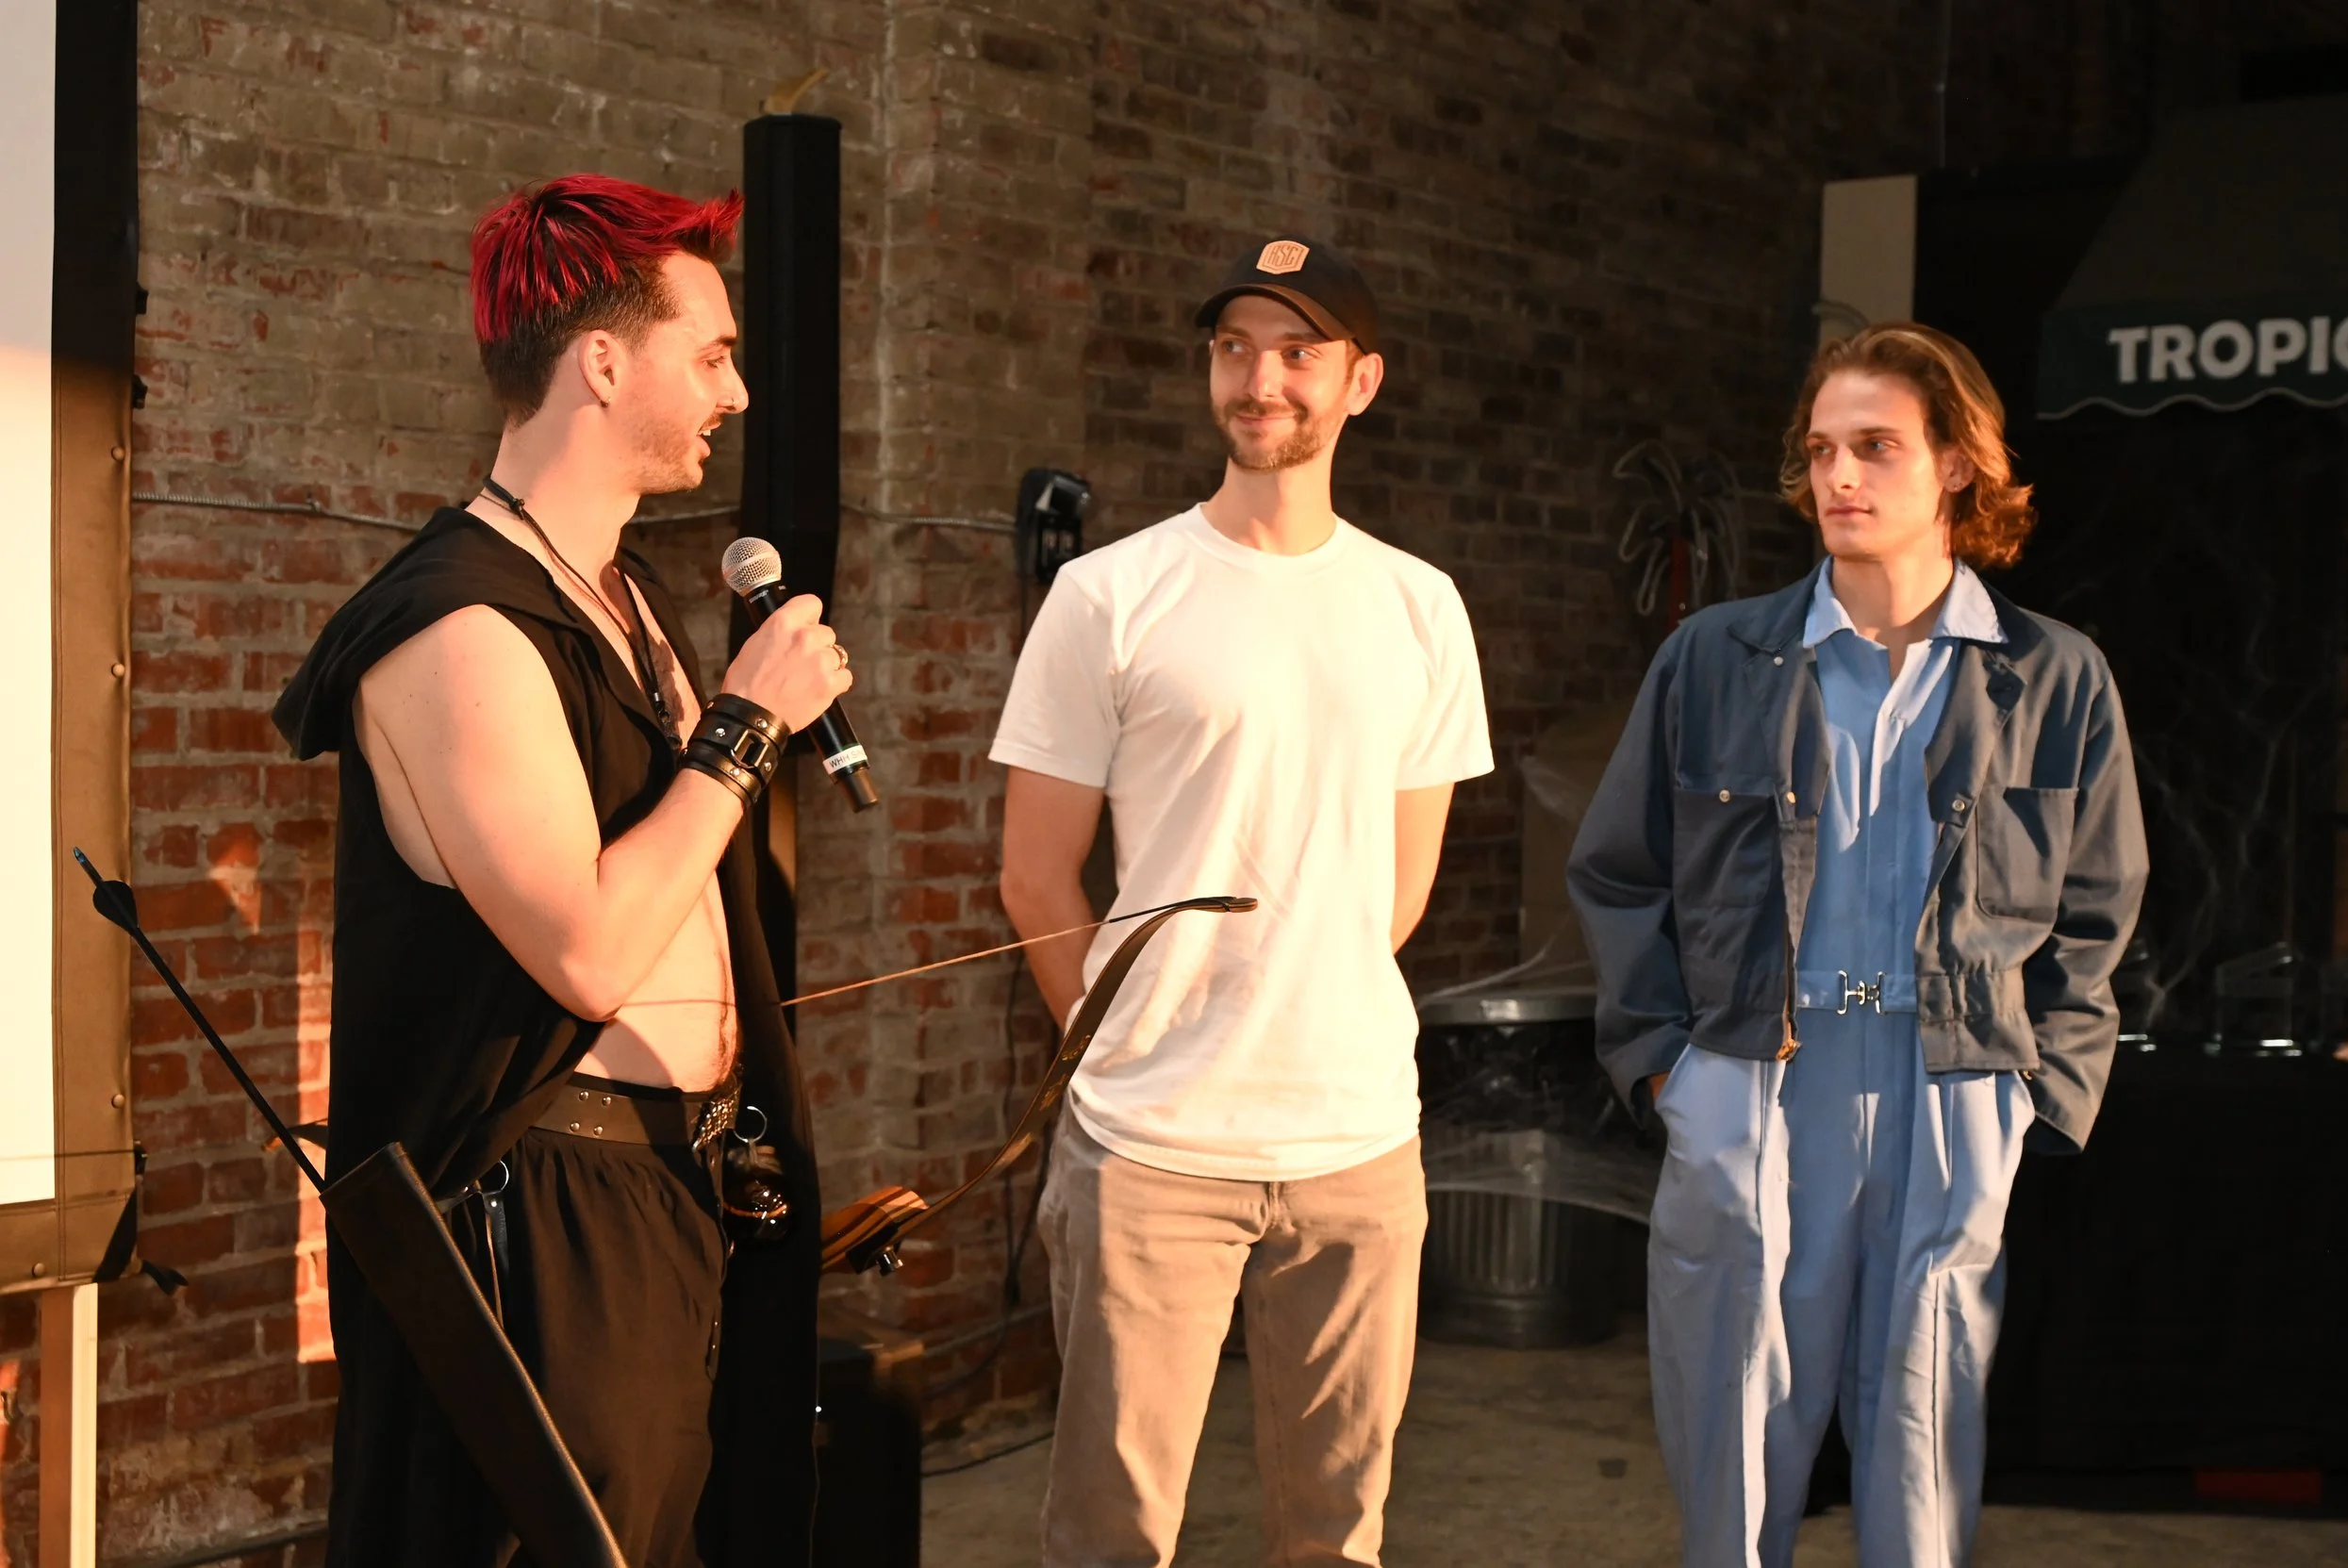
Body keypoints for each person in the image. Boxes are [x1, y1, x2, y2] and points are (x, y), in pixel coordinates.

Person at [273, 175, 851, 1567]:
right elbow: (587, 950)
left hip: (669, 1194)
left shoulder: (622, 597)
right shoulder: (457, 625)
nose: (740, 393)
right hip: (543, 1218)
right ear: (602, 360)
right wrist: (740, 726)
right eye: (710, 354)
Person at [1567, 323, 2148, 1566]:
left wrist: (2041, 1094)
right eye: (1822, 449)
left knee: (1925, 1434)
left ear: (1953, 464)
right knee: (1733, 1428)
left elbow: (2099, 908)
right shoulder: (1716, 659)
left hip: (1954, 1085)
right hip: (1753, 1078)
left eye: (1875, 446)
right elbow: (1618, 868)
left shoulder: (2052, 675)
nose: (1837, 475)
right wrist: (1672, 1071)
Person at [993, 238, 1493, 1567]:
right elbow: (1034, 871)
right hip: (1148, 1145)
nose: (1259, 378)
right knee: (1111, 1536)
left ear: (1361, 382)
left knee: (1335, 1536)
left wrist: (1301, 1001)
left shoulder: (1420, 607)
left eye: (1297, 350)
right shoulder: (1108, 595)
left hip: (1357, 1143)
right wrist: (1117, 1043)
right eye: (1233, 347)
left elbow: (1398, 886)